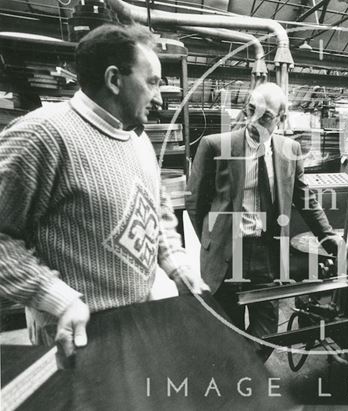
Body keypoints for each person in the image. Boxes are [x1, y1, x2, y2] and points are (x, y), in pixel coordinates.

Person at [0, 24, 207, 356]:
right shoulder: (42, 135)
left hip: (138, 318)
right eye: (152, 82)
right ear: (114, 80)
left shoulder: (137, 140)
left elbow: (158, 211)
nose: (159, 97)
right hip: (75, 336)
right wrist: (59, 300)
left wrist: (177, 267)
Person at [186, 82, 340, 359]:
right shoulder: (214, 146)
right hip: (226, 255)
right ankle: (238, 386)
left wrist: (330, 238)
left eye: (266, 116)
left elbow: (306, 200)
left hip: (267, 255)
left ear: (281, 119)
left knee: (267, 335)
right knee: (228, 335)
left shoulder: (289, 150)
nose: (255, 120)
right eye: (252, 110)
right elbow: (195, 203)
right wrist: (211, 241)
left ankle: (248, 373)